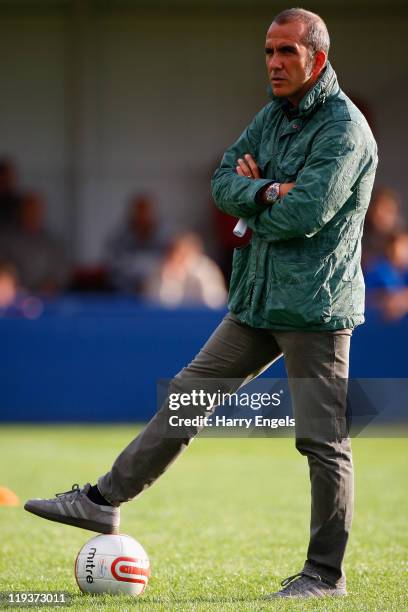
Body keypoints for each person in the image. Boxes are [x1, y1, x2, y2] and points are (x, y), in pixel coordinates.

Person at [24, 8, 378, 600]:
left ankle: (324, 575)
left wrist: (259, 200)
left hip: (316, 308)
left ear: (317, 57)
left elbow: (305, 214)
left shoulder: (345, 129)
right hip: (257, 298)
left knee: (322, 440)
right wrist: (264, 188)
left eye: (286, 52)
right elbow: (222, 183)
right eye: (269, 51)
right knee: (188, 398)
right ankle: (102, 502)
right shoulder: (271, 117)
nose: (273, 62)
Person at [104, 193, 170, 294]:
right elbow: (113, 264)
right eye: (139, 211)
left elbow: (170, 263)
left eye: (146, 211)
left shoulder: (166, 236)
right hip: (124, 291)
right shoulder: (119, 236)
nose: (143, 216)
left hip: (158, 291)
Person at [144, 232, 227, 309]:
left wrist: (196, 277)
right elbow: (154, 305)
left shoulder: (206, 270)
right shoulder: (160, 270)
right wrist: (166, 281)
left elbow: (216, 302)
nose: (178, 258)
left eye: (183, 254)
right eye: (175, 253)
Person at [365, 232, 408, 321]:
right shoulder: (376, 270)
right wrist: (384, 299)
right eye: (395, 248)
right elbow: (366, 296)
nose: (401, 252)